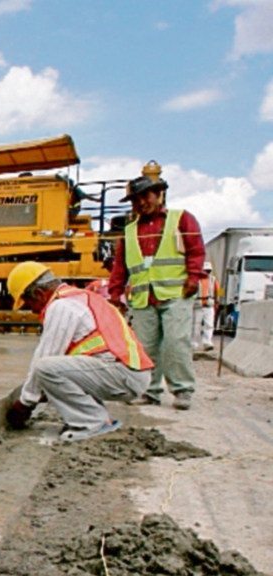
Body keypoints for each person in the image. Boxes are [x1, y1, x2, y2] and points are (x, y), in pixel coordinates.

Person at [6, 262, 153, 442]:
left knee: (45, 367)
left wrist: (25, 403)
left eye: (29, 304)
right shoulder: (79, 298)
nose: (32, 310)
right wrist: (43, 391)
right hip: (129, 372)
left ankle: (92, 423)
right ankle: (98, 418)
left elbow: (45, 355)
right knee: (54, 368)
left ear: (38, 294)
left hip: (124, 374)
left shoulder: (62, 306)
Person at [107, 173, 206, 410]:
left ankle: (182, 390)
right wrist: (115, 292)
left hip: (175, 293)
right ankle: (148, 391)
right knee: (145, 347)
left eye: (145, 196)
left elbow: (196, 250)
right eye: (135, 200)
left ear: (158, 195)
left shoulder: (181, 219)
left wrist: (194, 277)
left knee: (175, 342)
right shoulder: (129, 231)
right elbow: (120, 265)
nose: (141, 203)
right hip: (143, 298)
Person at [191, 263, 215, 352]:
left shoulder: (212, 280)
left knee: (209, 325)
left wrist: (220, 298)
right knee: (196, 326)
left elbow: (219, 290)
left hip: (209, 305)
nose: (206, 272)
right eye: (205, 270)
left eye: (208, 271)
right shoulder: (196, 280)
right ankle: (194, 344)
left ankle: (207, 343)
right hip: (198, 306)